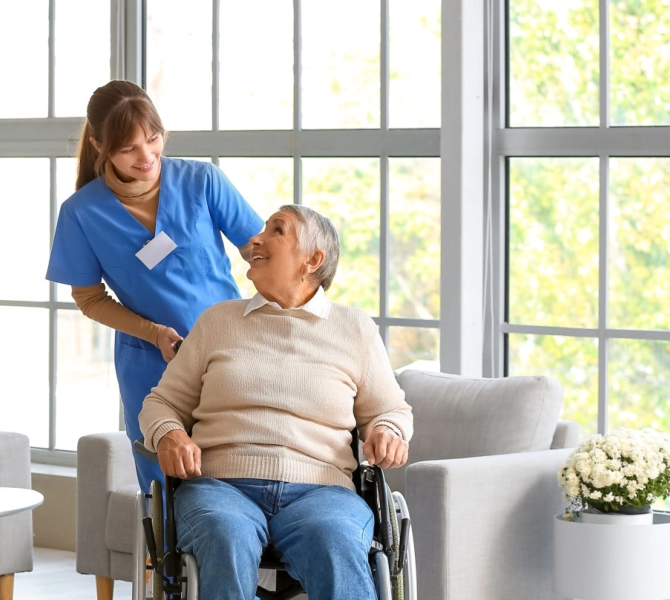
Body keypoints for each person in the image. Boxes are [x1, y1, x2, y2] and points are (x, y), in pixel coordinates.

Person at [139, 204, 413, 600]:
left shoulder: (354, 328)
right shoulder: (217, 321)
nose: (256, 239)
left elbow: (390, 410)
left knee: (334, 540)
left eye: (277, 231)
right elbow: (161, 402)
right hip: (220, 486)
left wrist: (388, 431)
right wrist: (169, 435)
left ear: (312, 260)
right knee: (224, 534)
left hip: (322, 492)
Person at [46, 80, 263, 493]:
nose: (146, 156)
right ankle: (158, 560)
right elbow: (90, 299)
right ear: (99, 145)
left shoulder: (202, 181)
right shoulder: (81, 213)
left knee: (235, 475)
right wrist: (153, 332)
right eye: (128, 149)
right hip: (151, 363)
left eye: (153, 139)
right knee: (165, 489)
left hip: (229, 352)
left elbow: (260, 251)